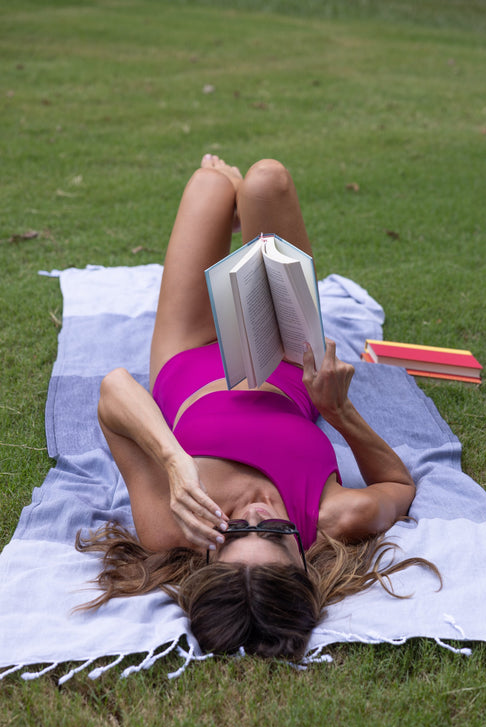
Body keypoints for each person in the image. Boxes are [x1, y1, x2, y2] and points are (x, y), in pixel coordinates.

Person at [76, 155, 440, 660]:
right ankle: (247, 217)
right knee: (267, 180)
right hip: (284, 359)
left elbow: (114, 389)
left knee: (209, 182)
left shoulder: (170, 524)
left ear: (209, 555)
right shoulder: (335, 515)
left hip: (186, 354)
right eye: (274, 531)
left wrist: (173, 461)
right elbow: (400, 486)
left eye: (232, 532)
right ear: (303, 560)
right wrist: (339, 413)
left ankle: (230, 213)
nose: (255, 513)